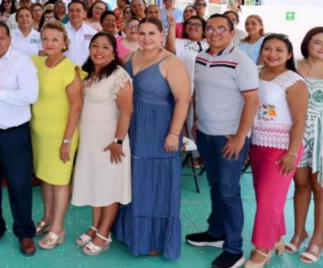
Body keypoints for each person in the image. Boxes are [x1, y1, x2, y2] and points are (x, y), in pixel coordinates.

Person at [113, 18, 190, 260]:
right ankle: (131, 233)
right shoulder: (128, 58)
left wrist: (174, 134)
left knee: (158, 182)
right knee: (134, 178)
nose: (146, 38)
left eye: (152, 33)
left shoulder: (171, 62)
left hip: (159, 129)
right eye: (142, 33)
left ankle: (154, 238)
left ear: (161, 34)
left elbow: (183, 100)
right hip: (133, 127)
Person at [187, 14, 259, 268]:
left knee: (229, 192)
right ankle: (216, 232)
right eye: (210, 28)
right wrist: (197, 121)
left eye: (221, 28)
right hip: (205, 134)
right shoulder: (201, 57)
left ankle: (234, 249)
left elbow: (252, 100)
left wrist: (240, 137)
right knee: (216, 186)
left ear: (231, 33)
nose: (215, 32)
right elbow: (199, 93)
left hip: (229, 138)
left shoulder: (241, 61)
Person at [0, 22, 39, 256]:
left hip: (14, 135)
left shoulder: (22, 62)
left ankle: (24, 232)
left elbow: (30, 95)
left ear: (9, 40)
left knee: (19, 184)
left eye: (1, 38)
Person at [245, 34, 307, 267]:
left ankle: (262, 248)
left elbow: (299, 122)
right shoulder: (255, 73)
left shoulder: (293, 81)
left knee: (268, 201)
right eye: (268, 49)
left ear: (289, 54)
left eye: (279, 50)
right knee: (265, 197)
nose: (272, 54)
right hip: (258, 142)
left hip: (282, 148)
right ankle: (277, 237)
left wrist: (292, 153)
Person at [72, 33, 133, 256]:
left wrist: (118, 141)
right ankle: (95, 226)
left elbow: (127, 112)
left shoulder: (119, 76)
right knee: (95, 184)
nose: (99, 51)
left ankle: (105, 233)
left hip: (110, 143)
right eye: (95, 46)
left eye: (105, 47)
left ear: (114, 52)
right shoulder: (89, 73)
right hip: (91, 141)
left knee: (109, 187)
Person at [289, 27, 323, 263]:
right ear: (307, 44)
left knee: (321, 190)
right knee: (300, 186)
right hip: (298, 133)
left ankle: (318, 240)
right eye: (318, 42)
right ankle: (299, 232)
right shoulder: (294, 67)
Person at [30, 20, 83, 251]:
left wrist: (67, 141)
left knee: (60, 181)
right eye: (45, 38)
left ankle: (58, 228)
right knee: (46, 177)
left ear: (64, 43)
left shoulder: (70, 69)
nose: (49, 43)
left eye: (55, 39)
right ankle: (48, 217)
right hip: (39, 135)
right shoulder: (36, 63)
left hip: (62, 136)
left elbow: (76, 107)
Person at [65, 1, 97, 66]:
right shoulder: (60, 31)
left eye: (78, 10)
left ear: (84, 13)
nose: (74, 13)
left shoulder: (93, 33)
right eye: (71, 10)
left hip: (86, 70)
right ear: (68, 13)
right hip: (64, 69)